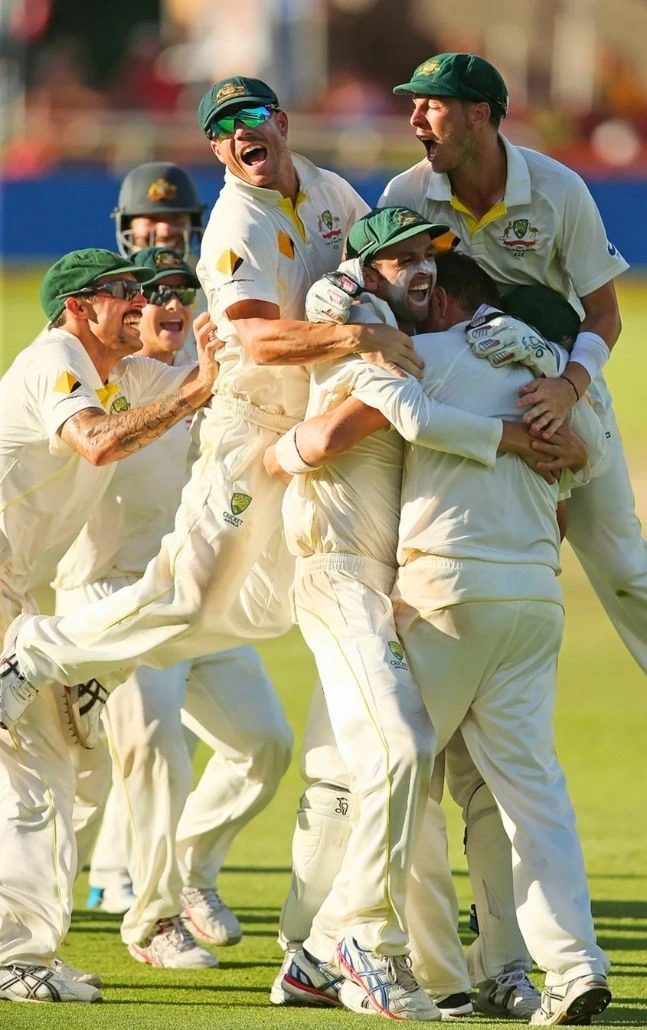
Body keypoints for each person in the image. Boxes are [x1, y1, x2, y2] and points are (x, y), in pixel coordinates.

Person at [0, 76, 416, 741]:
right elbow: (254, 338)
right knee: (187, 591)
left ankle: (97, 665)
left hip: (300, 431)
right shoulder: (234, 223)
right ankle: (38, 651)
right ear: (217, 151)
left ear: (280, 121)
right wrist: (359, 334)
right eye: (221, 130)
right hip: (248, 428)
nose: (237, 134)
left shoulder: (330, 190)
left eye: (249, 116)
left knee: (268, 606)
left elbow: (374, 262)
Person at [277, 248, 609, 1025]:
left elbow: (340, 431)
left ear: (455, 301)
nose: (414, 311)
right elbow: (583, 465)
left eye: (426, 298)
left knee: (405, 776)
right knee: (524, 795)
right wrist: (552, 399)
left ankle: (342, 952)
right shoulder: (556, 380)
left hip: (445, 591)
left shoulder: (423, 354)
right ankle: (562, 966)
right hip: (535, 600)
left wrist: (277, 449)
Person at [381, 52, 647, 715]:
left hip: (556, 389)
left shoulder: (557, 190)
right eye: (415, 105)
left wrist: (569, 390)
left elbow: (605, 313)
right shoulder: (407, 196)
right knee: (451, 569)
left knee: (624, 566)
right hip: (464, 408)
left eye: (431, 105)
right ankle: (419, 726)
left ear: (480, 115)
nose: (414, 119)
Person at [52, 247, 291, 971]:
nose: (170, 304)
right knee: (143, 756)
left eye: (183, 291)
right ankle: (150, 921)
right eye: (152, 293)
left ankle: (189, 870)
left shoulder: (205, 373)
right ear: (127, 308)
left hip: (193, 596)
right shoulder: (105, 380)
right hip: (113, 595)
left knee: (264, 744)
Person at [0, 248, 219, 1004]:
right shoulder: (55, 359)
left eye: (139, 289)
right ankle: (15, 956)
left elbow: (216, 384)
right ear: (75, 308)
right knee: (37, 775)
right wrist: (195, 393)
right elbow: (96, 439)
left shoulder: (124, 374)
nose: (138, 300)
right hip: (4, 598)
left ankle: (22, 950)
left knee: (48, 771)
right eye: (118, 291)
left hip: (18, 598)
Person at [113, 161, 207, 257]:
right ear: (127, 225)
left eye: (176, 218)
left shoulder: (209, 272)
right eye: (152, 218)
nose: (165, 231)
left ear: (192, 223)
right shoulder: (111, 272)